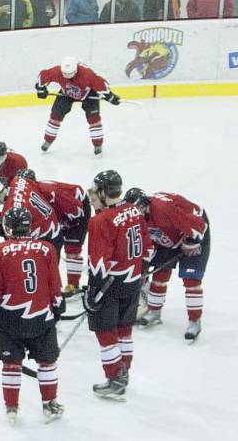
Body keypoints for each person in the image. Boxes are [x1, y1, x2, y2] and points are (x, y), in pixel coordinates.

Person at [0, 208, 64, 425]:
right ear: (30, 226)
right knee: (47, 362)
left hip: (11, 318)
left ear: (7, 228)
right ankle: (49, 404)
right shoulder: (46, 248)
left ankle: (11, 408)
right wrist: (58, 304)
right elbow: (54, 283)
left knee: (11, 363)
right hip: (42, 316)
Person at [85, 170, 153, 400]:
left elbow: (98, 264)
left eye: (95, 191)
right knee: (125, 331)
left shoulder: (100, 220)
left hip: (111, 285)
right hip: (132, 282)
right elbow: (147, 249)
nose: (93, 194)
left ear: (104, 192)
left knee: (106, 333)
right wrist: (139, 270)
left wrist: (93, 291)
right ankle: (124, 372)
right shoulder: (134, 210)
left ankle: (115, 379)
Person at [124, 188, 209, 341]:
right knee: (159, 273)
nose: (136, 213)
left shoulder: (163, 209)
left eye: (138, 208)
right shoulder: (138, 217)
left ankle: (195, 321)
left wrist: (192, 241)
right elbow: (147, 241)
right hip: (169, 234)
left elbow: (197, 225)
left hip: (195, 228)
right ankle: (154, 312)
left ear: (144, 204)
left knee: (191, 279)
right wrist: (143, 264)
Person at [17, 169, 91, 299]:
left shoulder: (48, 190)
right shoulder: (28, 196)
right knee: (51, 250)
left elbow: (75, 209)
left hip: (77, 209)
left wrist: (69, 226)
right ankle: (50, 285)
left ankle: (73, 284)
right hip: (61, 216)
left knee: (72, 247)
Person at [35, 56, 120, 155]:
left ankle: (97, 144)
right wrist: (41, 89)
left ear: (75, 70)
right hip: (66, 92)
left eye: (69, 74)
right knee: (55, 115)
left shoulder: (87, 75)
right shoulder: (57, 71)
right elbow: (43, 76)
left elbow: (101, 84)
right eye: (64, 74)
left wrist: (110, 96)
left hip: (88, 93)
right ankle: (48, 140)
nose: (66, 76)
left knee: (94, 119)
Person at [0, 174, 62, 254]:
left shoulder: (11, 210)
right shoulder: (19, 181)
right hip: (54, 229)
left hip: (43, 244)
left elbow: (15, 246)